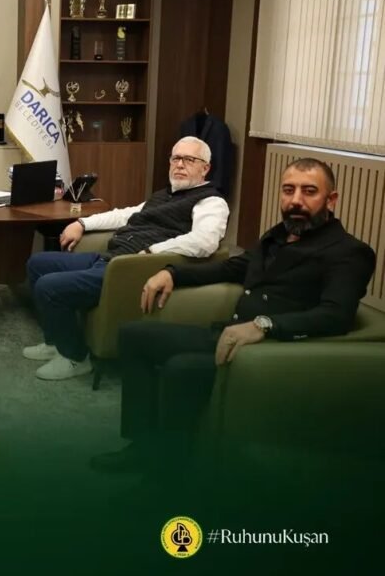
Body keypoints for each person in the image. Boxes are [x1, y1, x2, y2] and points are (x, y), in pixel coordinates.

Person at [92, 158, 376, 472]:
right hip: (229, 336)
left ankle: (167, 474)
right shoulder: (277, 236)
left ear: (331, 200)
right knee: (134, 335)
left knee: (181, 368)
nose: (296, 200)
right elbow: (233, 268)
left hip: (272, 352)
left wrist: (265, 325)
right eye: (288, 190)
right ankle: (142, 446)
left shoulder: (348, 251)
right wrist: (173, 273)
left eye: (309, 191)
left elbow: (335, 315)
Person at [24, 137, 228, 381]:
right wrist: (81, 223)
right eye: (176, 158)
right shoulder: (164, 195)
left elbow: (205, 241)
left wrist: (153, 251)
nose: (180, 164)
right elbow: (125, 215)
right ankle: (55, 342)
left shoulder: (211, 202)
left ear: (205, 168)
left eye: (189, 159)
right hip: (112, 257)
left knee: (49, 286)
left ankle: (75, 357)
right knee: (38, 264)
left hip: (130, 269)